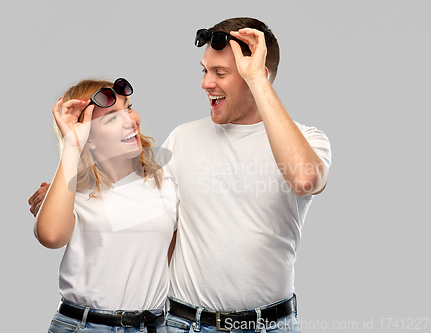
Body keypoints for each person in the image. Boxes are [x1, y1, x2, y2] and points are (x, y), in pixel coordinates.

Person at [29, 17, 331, 333]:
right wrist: (59, 195)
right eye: (205, 70)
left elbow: (304, 179)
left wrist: (256, 79)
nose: (205, 83)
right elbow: (127, 201)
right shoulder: (183, 139)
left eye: (220, 73)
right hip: (185, 325)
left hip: (272, 325)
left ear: (258, 76)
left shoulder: (308, 140)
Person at [32, 78, 178, 333]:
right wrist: (72, 145)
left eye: (129, 107)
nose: (129, 121)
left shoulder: (165, 183)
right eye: (111, 118)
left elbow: (172, 257)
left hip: (154, 325)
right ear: (89, 138)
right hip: (87, 326)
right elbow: (51, 236)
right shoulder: (72, 194)